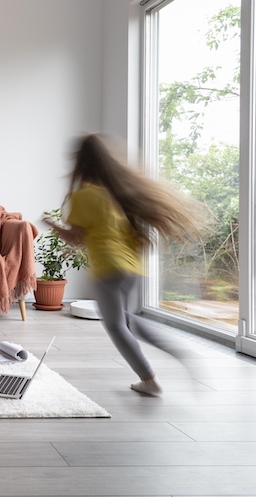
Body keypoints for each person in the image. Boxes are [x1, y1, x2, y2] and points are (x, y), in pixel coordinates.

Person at [43, 133, 198, 397]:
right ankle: (176, 350)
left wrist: (50, 224)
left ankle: (149, 379)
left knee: (114, 325)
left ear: (81, 162)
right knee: (126, 320)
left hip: (108, 267)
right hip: (132, 268)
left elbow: (76, 239)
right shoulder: (119, 193)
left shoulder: (84, 196)